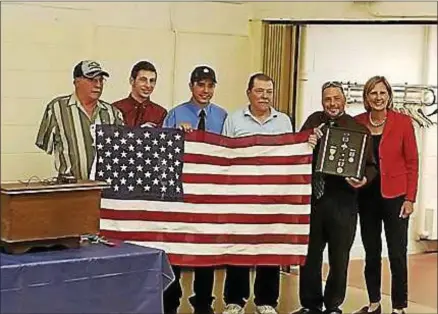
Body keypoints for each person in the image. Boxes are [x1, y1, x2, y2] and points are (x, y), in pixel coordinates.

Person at [292, 81, 377, 314]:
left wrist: (363, 180)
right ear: (322, 101)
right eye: (328, 99)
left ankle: (333, 305)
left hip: (343, 203)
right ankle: (310, 305)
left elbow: (371, 166)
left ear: (344, 100)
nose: (332, 103)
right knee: (310, 258)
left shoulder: (358, 129)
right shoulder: (311, 122)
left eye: (336, 98)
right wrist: (306, 142)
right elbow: (294, 153)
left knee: (339, 259)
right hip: (312, 203)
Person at [221, 73, 293, 314]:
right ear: (249, 93)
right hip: (241, 195)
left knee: (269, 248)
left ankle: (266, 301)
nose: (265, 96)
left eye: (269, 91)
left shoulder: (284, 122)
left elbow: (290, 157)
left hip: (272, 198)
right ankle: (235, 300)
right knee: (239, 249)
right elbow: (224, 156)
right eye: (260, 91)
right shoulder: (233, 120)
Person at [162, 65, 228, 314]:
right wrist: (177, 136)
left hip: (210, 194)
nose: (206, 90)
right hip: (181, 193)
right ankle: (171, 299)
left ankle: (203, 301)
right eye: (201, 84)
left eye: (210, 85)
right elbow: (163, 152)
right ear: (191, 86)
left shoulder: (222, 116)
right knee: (176, 247)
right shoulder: (175, 114)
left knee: (206, 248)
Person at [353, 76, 419, 314]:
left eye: (382, 93)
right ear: (366, 98)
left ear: (389, 96)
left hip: (396, 197)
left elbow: (412, 162)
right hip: (366, 196)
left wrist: (410, 198)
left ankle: (399, 307)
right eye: (373, 93)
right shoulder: (357, 122)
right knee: (371, 252)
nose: (378, 98)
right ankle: (374, 303)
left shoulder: (403, 122)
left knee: (397, 253)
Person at [35, 60, 124, 180]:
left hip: (104, 189)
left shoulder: (112, 113)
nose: (98, 85)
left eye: (100, 80)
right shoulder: (57, 108)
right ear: (76, 81)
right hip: (70, 189)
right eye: (92, 80)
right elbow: (45, 144)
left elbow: (121, 151)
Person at [113, 60, 167, 127]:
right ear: (132, 81)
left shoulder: (160, 113)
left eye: (152, 81)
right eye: (143, 80)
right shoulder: (115, 109)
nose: (148, 85)